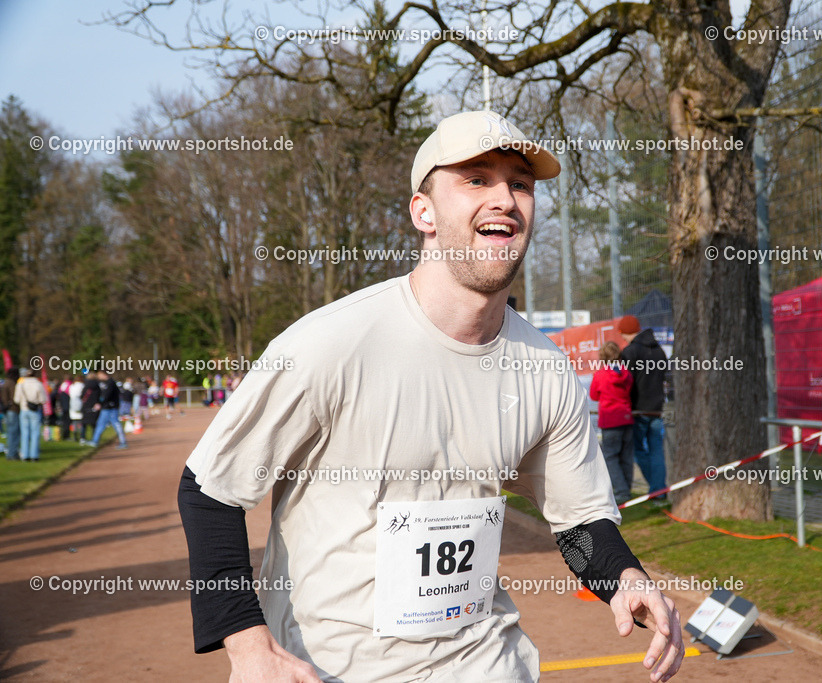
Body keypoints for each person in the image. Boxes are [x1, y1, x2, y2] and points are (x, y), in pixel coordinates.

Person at [177, 110, 683, 683]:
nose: (505, 199)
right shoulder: (331, 343)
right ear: (424, 212)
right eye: (476, 179)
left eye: (519, 183)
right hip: (332, 671)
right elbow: (210, 490)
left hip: (488, 664)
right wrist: (248, 647)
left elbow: (580, 520)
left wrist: (626, 578)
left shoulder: (545, 368)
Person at [619, 315, 669, 500]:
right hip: (657, 408)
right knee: (657, 450)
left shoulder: (630, 352)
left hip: (638, 409)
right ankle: (660, 491)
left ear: (624, 332)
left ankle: (656, 489)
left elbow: (626, 382)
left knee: (638, 450)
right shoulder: (659, 350)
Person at [589, 342, 635, 504]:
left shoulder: (601, 374)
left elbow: (594, 395)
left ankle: (621, 491)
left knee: (610, 457)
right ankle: (627, 488)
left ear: (602, 357)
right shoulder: (626, 373)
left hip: (610, 420)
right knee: (626, 456)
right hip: (627, 418)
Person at [88, 370, 128, 450]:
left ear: (104, 374)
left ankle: (123, 442)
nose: (98, 377)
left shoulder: (110, 383)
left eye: (99, 375)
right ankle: (95, 441)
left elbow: (106, 395)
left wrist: (100, 403)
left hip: (111, 408)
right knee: (100, 424)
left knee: (116, 424)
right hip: (106, 408)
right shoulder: (107, 383)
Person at [13, 368, 47, 461]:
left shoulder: (21, 384)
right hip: (34, 410)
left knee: (24, 433)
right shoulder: (38, 384)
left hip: (24, 409)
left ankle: (25, 454)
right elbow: (43, 399)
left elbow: (16, 399)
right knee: (35, 433)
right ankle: (34, 455)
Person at [1, 368, 19, 460]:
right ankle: (12, 453)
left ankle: (10, 453)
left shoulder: (4, 383)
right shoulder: (12, 384)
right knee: (14, 433)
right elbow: (15, 398)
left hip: (6, 410)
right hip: (13, 409)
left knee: (9, 432)